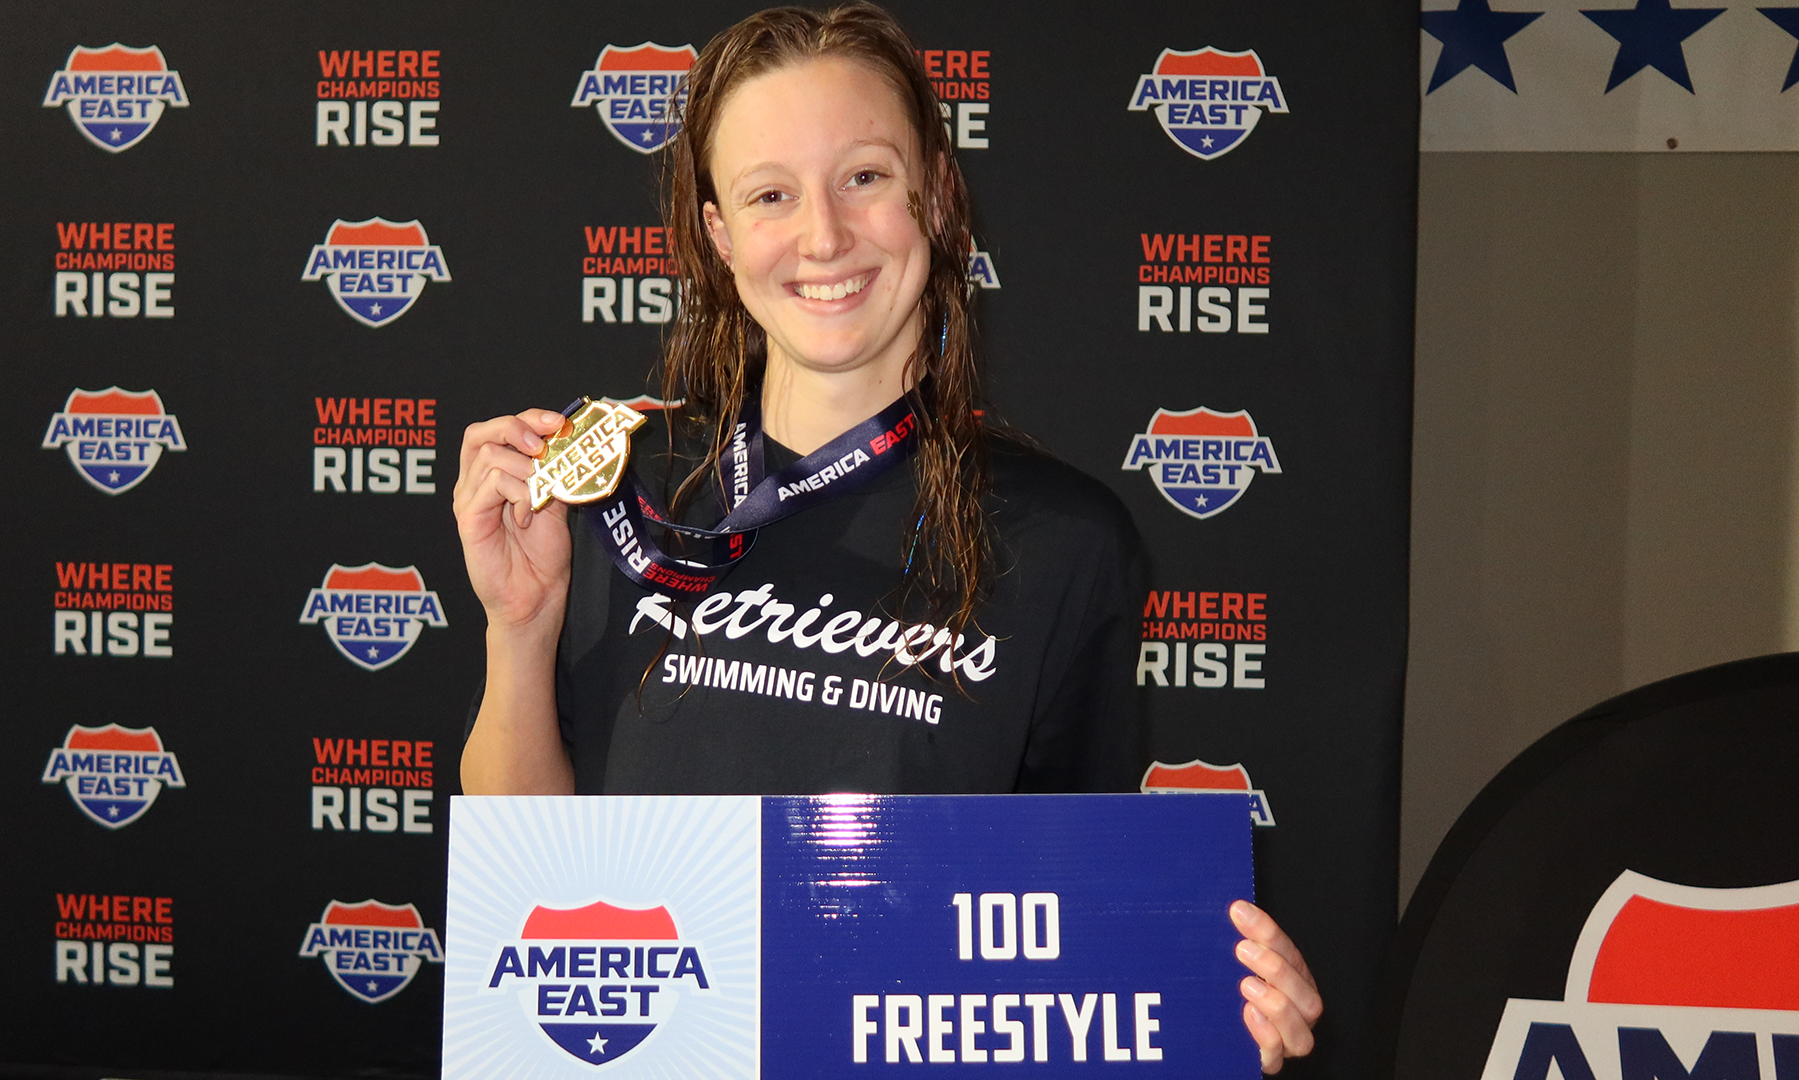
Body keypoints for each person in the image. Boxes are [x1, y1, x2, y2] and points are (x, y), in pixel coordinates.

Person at [454, 4, 1320, 1069]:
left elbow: (1066, 931)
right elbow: (530, 886)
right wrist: (519, 623)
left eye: (864, 176)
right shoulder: (618, 500)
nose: (823, 237)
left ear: (938, 192)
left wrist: (1200, 1000)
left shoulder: (1063, 540)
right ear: (722, 238)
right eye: (771, 195)